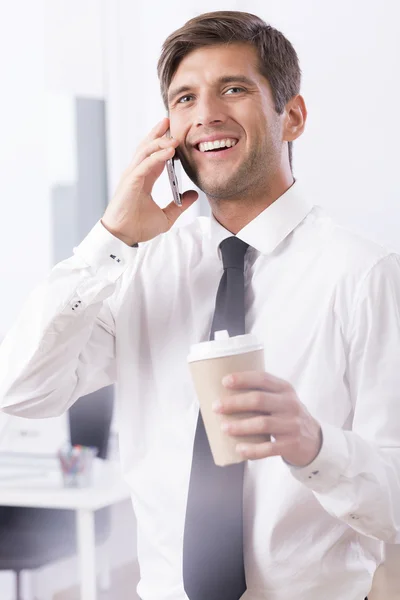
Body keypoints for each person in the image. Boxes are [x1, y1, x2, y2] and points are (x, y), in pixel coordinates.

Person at [0, 9, 398, 600]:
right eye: (184, 98)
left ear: (292, 116)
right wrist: (110, 236)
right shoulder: (138, 264)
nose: (206, 114)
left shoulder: (364, 274)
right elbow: (23, 389)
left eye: (233, 89)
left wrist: (316, 446)